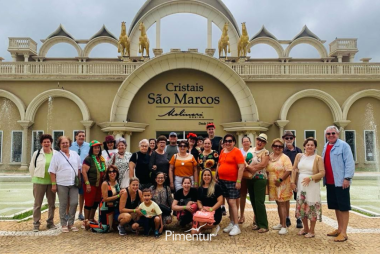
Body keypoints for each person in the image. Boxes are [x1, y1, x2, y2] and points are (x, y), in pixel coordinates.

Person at [322, 126, 355, 242]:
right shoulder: (326, 146)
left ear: (338, 134)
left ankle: (344, 233)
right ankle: (339, 229)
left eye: (333, 133)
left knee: (343, 207)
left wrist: (347, 178)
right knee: (336, 206)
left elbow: (349, 162)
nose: (331, 135)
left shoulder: (344, 146)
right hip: (330, 182)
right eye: (328, 134)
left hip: (341, 182)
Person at [291, 137, 325, 238]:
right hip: (301, 185)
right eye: (308, 145)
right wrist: (293, 182)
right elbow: (294, 169)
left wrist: (311, 177)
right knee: (302, 206)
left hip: (312, 185)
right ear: (304, 146)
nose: (309, 146)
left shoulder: (318, 158)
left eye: (312, 145)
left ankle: (312, 230)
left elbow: (322, 173)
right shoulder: (299, 156)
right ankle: (305, 228)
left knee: (311, 206)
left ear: (315, 147)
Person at [48, 136, 81, 233]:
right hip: (62, 183)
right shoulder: (56, 156)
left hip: (73, 183)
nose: (65, 144)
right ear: (59, 144)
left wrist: (78, 180)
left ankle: (71, 223)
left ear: (70, 143)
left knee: (74, 202)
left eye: (66, 142)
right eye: (63, 143)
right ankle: (63, 224)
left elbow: (79, 168)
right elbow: (52, 171)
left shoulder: (75, 154)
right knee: (63, 204)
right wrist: (54, 184)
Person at [217, 134, 245, 236]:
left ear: (233, 142)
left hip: (232, 181)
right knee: (228, 201)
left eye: (230, 141)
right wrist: (216, 175)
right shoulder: (223, 151)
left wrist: (238, 181)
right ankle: (232, 222)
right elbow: (219, 164)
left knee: (232, 202)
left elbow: (241, 167)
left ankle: (237, 226)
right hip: (222, 180)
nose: (227, 143)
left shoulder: (236, 151)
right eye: (226, 141)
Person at [29, 134, 57, 232]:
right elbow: (32, 167)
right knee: (37, 204)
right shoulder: (37, 153)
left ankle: (50, 222)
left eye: (48, 141)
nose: (46, 143)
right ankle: (36, 224)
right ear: (41, 143)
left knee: (52, 204)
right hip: (39, 182)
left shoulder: (55, 154)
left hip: (51, 182)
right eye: (44, 142)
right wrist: (35, 178)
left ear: (51, 143)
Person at [267, 138, 293, 235]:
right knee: (278, 203)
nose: (277, 148)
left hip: (282, 183)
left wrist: (280, 179)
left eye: (280, 146)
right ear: (272, 147)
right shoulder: (270, 157)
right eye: (275, 146)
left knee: (282, 204)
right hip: (273, 184)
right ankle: (281, 222)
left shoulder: (284, 157)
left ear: (283, 148)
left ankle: (284, 226)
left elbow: (289, 170)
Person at [245, 133, 270, 233]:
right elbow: (243, 160)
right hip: (250, 178)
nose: (260, 142)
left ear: (265, 143)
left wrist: (250, 168)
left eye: (263, 141)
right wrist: (247, 166)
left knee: (259, 201)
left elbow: (262, 165)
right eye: (259, 140)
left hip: (260, 178)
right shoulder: (250, 150)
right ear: (256, 140)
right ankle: (257, 223)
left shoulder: (266, 152)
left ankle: (264, 225)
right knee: (253, 201)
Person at [81, 140, 106, 228]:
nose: (97, 149)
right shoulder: (88, 159)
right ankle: (86, 221)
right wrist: (87, 184)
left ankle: (91, 218)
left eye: (98, 147)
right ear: (92, 149)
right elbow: (84, 172)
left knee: (96, 201)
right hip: (90, 184)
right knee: (89, 202)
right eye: (95, 147)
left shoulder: (101, 159)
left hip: (99, 185)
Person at [192, 168, 223, 236]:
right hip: (204, 211)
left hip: (214, 211)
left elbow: (220, 201)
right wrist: (201, 208)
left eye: (208, 175)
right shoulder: (200, 188)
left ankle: (215, 226)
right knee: (194, 233)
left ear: (211, 176)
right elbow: (199, 201)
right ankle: (204, 228)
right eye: (205, 175)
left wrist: (212, 209)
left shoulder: (216, 187)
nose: (206, 177)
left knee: (203, 223)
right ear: (202, 176)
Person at [282, 131, 303, 228]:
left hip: (297, 178)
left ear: (294, 139)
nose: (289, 140)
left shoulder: (299, 151)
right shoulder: (282, 151)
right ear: (284, 139)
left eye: (291, 138)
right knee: (286, 199)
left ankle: (299, 218)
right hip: (286, 178)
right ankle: (287, 217)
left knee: (298, 198)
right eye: (287, 138)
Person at [69, 131, 90, 221]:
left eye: (83, 136)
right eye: (79, 136)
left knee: (82, 194)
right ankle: (68, 213)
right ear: (76, 137)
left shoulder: (88, 146)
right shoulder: (71, 146)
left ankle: (80, 212)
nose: (81, 137)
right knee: (70, 193)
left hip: (84, 172)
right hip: (72, 172)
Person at [99, 165, 126, 232]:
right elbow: (105, 199)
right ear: (107, 174)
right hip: (105, 207)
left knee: (111, 229)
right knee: (105, 229)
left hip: (113, 207)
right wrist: (118, 196)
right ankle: (89, 223)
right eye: (110, 172)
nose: (112, 173)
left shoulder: (116, 182)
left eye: (114, 171)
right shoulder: (105, 183)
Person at [237, 136, 252, 224]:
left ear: (250, 142)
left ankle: (255, 217)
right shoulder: (239, 151)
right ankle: (241, 215)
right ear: (242, 143)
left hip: (252, 176)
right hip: (242, 177)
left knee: (253, 197)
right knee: (242, 196)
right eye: (244, 141)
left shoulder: (253, 151)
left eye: (247, 141)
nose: (246, 143)